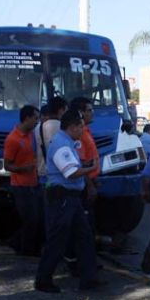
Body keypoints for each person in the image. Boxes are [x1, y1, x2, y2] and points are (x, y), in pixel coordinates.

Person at [35, 110, 101, 293]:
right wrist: (92, 168)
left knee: (84, 237)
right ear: (72, 127)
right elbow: (70, 172)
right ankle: (43, 279)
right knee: (58, 240)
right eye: (80, 126)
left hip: (70, 198)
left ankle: (89, 279)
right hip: (62, 198)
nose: (83, 129)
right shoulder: (61, 145)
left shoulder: (67, 142)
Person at [65, 97, 101, 264]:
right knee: (83, 228)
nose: (92, 113)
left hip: (90, 181)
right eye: (89, 110)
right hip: (83, 186)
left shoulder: (86, 132)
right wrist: (90, 185)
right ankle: (79, 262)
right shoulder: (79, 136)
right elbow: (79, 164)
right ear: (81, 113)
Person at [4, 105, 41, 256]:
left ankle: (19, 244)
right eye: (35, 118)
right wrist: (22, 169)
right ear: (26, 118)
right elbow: (7, 165)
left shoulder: (31, 135)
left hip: (33, 183)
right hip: (20, 186)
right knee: (30, 219)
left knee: (36, 218)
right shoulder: (13, 139)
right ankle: (25, 249)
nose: (37, 122)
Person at [36, 97, 69, 181]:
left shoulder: (37, 128)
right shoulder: (64, 127)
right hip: (60, 176)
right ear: (61, 110)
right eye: (66, 110)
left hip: (43, 174)